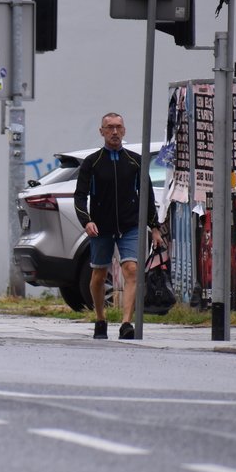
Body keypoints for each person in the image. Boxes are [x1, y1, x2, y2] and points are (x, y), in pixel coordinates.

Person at [73, 112, 163, 340]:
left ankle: (126, 323)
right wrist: (87, 221)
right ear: (101, 131)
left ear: (124, 131)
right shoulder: (92, 163)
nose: (114, 132)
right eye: (109, 127)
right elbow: (80, 197)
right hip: (101, 227)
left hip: (129, 225)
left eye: (118, 127)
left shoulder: (134, 161)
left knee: (132, 270)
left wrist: (154, 227)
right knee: (98, 275)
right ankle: (101, 318)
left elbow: (147, 195)